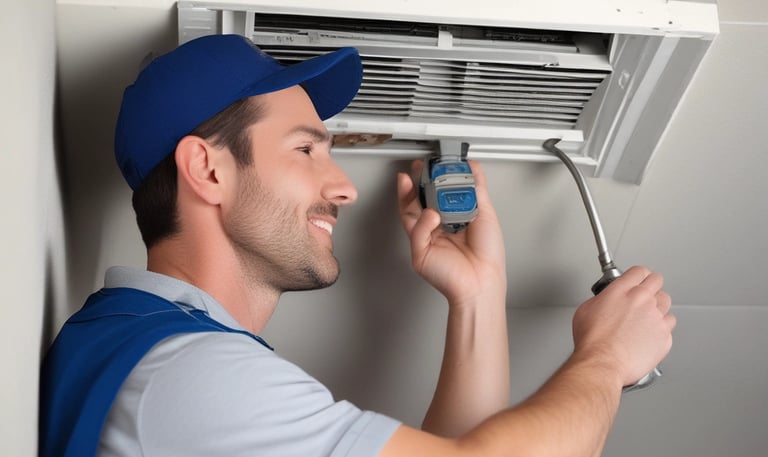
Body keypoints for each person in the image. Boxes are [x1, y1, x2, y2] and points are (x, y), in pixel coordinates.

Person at [40, 34, 676, 457]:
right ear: (208, 171)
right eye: (306, 149)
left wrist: (478, 296)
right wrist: (608, 358)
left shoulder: (144, 349)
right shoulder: (186, 374)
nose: (344, 186)